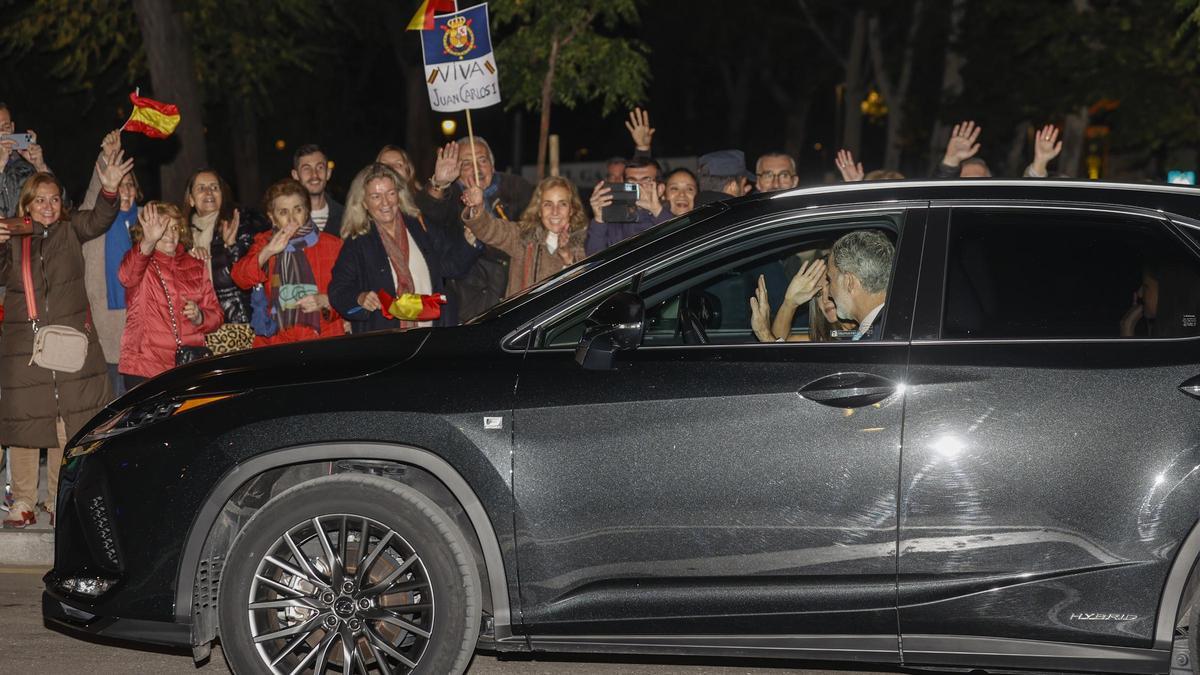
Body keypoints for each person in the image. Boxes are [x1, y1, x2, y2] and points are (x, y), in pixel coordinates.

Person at [0, 144, 133, 528]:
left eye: (54, 199)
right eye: (39, 199)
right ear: (26, 204)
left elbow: (100, 219)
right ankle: (23, 501)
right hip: (23, 348)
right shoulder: (12, 239)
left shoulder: (71, 230)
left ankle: (59, 500)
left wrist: (109, 190)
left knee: (65, 425)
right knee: (25, 425)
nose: (47, 205)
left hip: (71, 347)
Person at [329, 163, 482, 333]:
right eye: (376, 196)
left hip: (431, 336)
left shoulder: (419, 225)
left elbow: (451, 266)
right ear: (364, 202)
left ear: (399, 195)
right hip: (385, 342)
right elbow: (338, 291)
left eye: (391, 193)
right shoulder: (358, 242)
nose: (385, 202)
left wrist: (470, 241)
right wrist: (360, 298)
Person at [420, 137, 534, 321]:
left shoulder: (517, 188)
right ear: (456, 170)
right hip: (470, 307)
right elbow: (431, 212)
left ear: (493, 164)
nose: (477, 169)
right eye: (467, 164)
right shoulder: (449, 197)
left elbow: (533, 235)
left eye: (482, 160)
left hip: (518, 299)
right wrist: (439, 183)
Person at [118, 201, 223, 388]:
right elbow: (126, 276)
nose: (170, 234)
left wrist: (201, 316)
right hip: (145, 368)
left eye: (175, 227)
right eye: (163, 228)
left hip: (189, 367)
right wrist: (148, 241)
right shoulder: (141, 262)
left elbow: (216, 316)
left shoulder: (195, 264)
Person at [232, 178, 345, 346]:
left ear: (307, 211)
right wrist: (269, 251)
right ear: (272, 217)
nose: (292, 218)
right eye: (283, 212)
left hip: (324, 340)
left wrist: (326, 301)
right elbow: (240, 278)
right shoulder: (265, 243)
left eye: (297, 209)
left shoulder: (334, 245)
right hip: (277, 342)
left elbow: (350, 295)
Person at [462, 175, 587, 297]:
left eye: (562, 204)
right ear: (539, 210)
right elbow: (491, 228)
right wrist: (477, 206)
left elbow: (586, 291)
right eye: (548, 204)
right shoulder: (524, 237)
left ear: (572, 209)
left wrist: (568, 259)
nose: (555, 211)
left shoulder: (585, 243)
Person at [185, 169, 256, 330]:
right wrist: (188, 260)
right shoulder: (182, 238)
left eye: (214, 187)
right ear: (191, 199)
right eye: (201, 188)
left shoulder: (239, 224)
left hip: (237, 321)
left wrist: (232, 247)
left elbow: (251, 273)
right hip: (199, 323)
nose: (209, 192)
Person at [585, 157, 672, 255]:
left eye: (646, 180)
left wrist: (656, 210)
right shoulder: (614, 222)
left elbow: (677, 247)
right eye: (632, 181)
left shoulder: (671, 217)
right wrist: (599, 220)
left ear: (660, 189)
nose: (638, 187)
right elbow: (594, 260)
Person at [825, 230, 894, 340]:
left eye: (830, 280)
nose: (828, 293)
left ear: (849, 282)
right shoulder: (887, 328)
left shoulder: (876, 341)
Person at [0, 103, 49, 218]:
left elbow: (62, 206)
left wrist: (40, 167)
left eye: (5, 127)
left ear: (12, 128)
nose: (2, 133)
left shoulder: (24, 168)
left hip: (27, 234)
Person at [291, 144, 344, 237]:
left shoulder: (346, 217)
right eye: (306, 169)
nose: (314, 175)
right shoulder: (286, 218)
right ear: (295, 175)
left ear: (328, 173)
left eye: (320, 167)